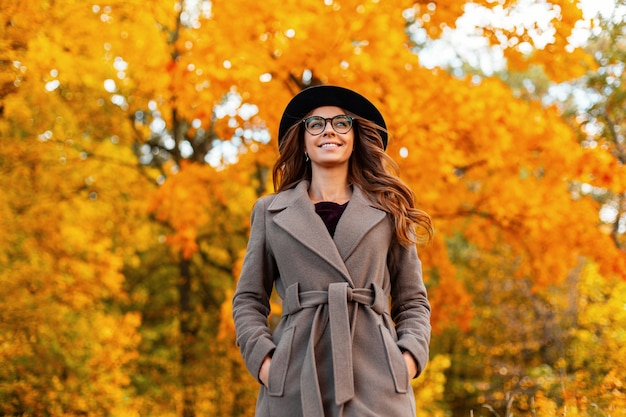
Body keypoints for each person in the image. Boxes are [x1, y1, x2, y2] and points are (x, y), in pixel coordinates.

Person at [232, 85, 434, 417]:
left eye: (341, 123)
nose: (329, 130)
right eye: (316, 124)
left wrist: (406, 360)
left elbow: (413, 301)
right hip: (295, 376)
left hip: (376, 379)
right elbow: (249, 299)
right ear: (303, 141)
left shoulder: (389, 210)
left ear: (355, 138)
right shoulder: (270, 212)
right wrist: (267, 364)